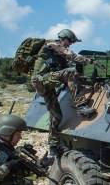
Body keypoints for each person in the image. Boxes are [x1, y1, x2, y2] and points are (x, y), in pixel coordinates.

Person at [30, 28, 94, 157]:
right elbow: (71, 55)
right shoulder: (52, 44)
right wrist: (89, 61)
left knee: (56, 116)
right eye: (69, 42)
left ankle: (53, 147)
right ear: (63, 38)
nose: (69, 44)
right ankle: (80, 106)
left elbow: (65, 73)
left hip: (46, 84)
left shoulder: (58, 56)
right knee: (70, 72)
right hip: (41, 81)